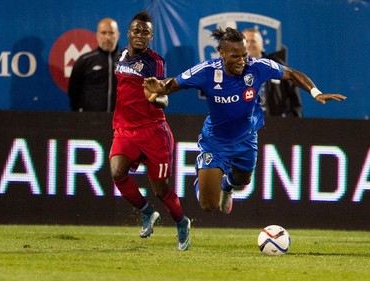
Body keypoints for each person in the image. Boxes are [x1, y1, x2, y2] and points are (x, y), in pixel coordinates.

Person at [143, 27, 346, 215]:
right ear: (221, 54)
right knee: (208, 206)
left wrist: (316, 93)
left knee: (243, 178)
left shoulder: (257, 67)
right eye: (235, 56)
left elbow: (291, 74)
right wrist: (158, 87)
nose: (242, 60)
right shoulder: (206, 72)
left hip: (246, 138)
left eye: (244, 55)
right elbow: (172, 84)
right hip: (216, 141)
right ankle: (204, 178)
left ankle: (227, 187)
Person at [109, 11, 190, 251]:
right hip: (125, 129)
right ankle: (147, 212)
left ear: (151, 36)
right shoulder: (121, 55)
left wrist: (155, 99)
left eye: (145, 32)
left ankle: (181, 221)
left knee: (161, 189)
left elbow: (163, 98)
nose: (140, 35)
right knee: (116, 172)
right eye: (136, 30)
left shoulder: (155, 62)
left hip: (153, 132)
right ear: (129, 33)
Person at [243, 28, 302, 117]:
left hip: (274, 125)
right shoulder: (234, 68)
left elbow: (293, 96)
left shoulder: (276, 65)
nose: (249, 44)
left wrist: (292, 122)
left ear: (261, 45)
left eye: (253, 41)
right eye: (246, 41)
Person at [68, 18, 120, 112]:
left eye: (111, 33)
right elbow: (73, 92)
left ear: (118, 35)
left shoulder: (128, 61)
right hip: (90, 121)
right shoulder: (84, 61)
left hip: (120, 121)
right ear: (97, 35)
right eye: (103, 33)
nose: (107, 37)